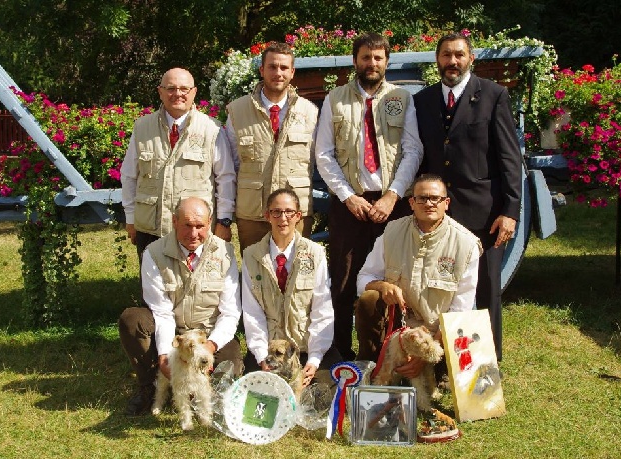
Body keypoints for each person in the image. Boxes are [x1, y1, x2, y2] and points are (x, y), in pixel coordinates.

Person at [413, 33, 522, 361]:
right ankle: (444, 360)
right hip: (437, 214)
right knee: (440, 288)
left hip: (483, 214)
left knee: (487, 289)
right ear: (437, 60)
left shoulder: (493, 95)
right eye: (446, 55)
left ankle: (489, 362)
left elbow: (509, 157)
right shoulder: (423, 101)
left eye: (459, 55)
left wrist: (511, 209)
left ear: (470, 58)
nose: (452, 62)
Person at [315, 32, 424, 360]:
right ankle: (340, 354)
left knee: (395, 276)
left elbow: (413, 150)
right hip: (351, 202)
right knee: (344, 278)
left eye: (378, 58)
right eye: (366, 57)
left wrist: (392, 196)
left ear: (387, 62)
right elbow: (324, 154)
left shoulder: (403, 98)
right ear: (355, 61)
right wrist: (349, 197)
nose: (371, 63)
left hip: (392, 202)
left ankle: (392, 351)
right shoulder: (336, 99)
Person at [118, 197, 242, 415]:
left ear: (210, 222)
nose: (193, 234)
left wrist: (210, 347)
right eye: (187, 225)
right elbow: (162, 312)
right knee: (132, 320)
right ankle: (151, 386)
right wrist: (166, 354)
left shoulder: (226, 253)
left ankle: (204, 393)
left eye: (200, 226)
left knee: (230, 366)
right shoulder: (154, 253)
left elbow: (230, 313)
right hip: (173, 332)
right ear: (174, 221)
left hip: (209, 333)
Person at [355, 174, 481, 381]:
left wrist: (425, 355)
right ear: (412, 203)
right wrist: (382, 285)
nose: (429, 204)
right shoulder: (392, 231)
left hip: (435, 336)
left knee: (458, 340)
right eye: (422, 198)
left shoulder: (466, 244)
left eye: (435, 198)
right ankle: (370, 362)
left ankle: (438, 371)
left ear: (446, 203)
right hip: (397, 333)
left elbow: (461, 310)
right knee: (369, 298)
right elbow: (363, 278)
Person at [120, 67, 236, 265]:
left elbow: (225, 178)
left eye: (184, 89)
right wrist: (131, 219)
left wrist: (224, 221)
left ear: (194, 92)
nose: (178, 94)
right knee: (153, 289)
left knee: (198, 289)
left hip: (195, 229)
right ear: (160, 92)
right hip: (151, 228)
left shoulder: (212, 129)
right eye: (171, 88)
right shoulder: (142, 128)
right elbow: (129, 176)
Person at [241, 189, 342, 385]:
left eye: (289, 212)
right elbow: (252, 313)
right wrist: (263, 357)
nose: (283, 218)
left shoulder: (316, 254)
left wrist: (314, 358)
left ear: (298, 216)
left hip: (305, 347)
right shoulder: (251, 256)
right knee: (256, 400)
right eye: (276, 212)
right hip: (270, 352)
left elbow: (322, 309)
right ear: (267, 216)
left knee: (326, 395)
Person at [226, 42, 319, 253]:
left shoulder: (310, 113)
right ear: (262, 70)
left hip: (296, 212)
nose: (278, 73)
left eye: (284, 68)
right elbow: (231, 163)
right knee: (254, 271)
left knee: (295, 269)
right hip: (253, 212)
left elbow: (314, 160)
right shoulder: (237, 111)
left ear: (292, 72)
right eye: (272, 67)